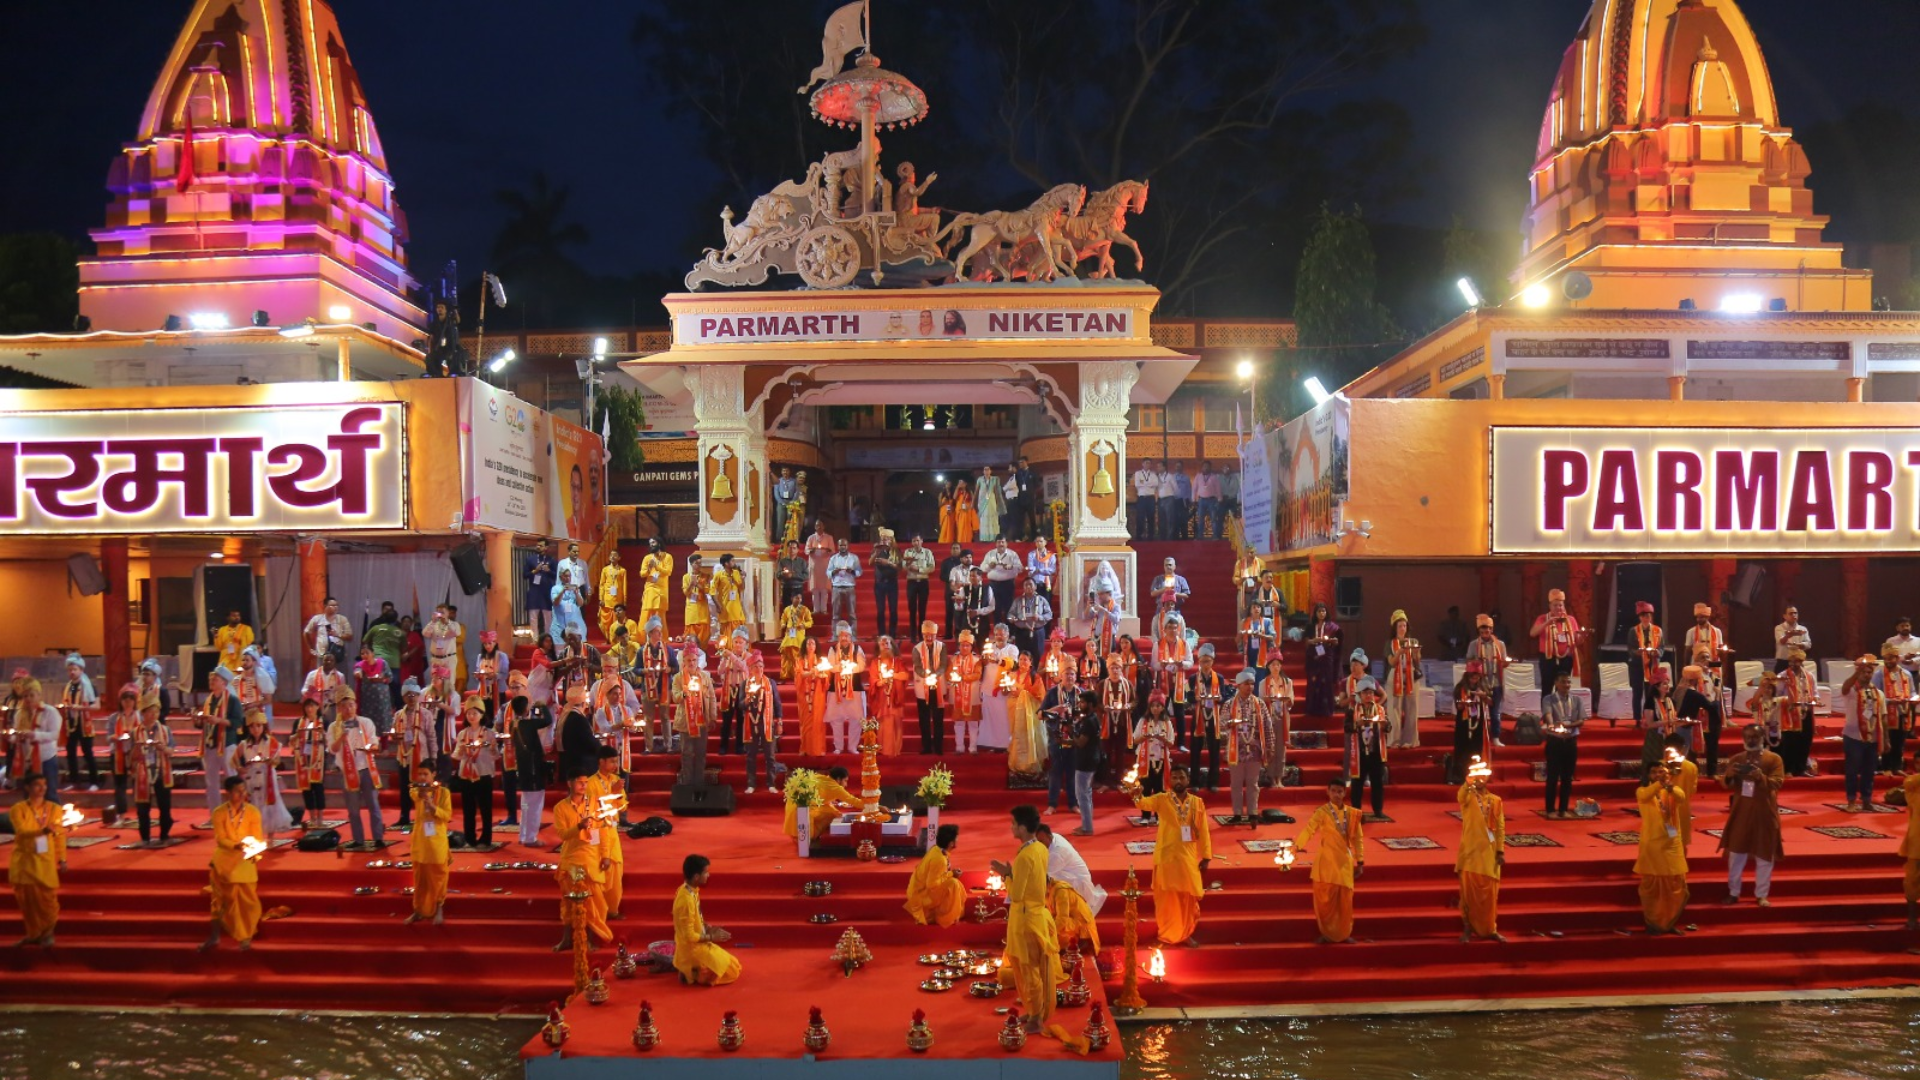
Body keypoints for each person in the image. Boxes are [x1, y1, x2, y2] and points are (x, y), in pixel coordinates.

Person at [1126, 765, 1211, 946]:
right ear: (1169, 781)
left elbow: (1203, 830)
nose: (1178, 781)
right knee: (1166, 899)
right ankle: (1167, 934)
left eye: (1181, 777)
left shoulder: (1197, 803)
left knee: (1187, 898)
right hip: (1166, 856)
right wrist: (1135, 793)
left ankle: (1186, 932)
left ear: (1188, 780)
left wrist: (1206, 856)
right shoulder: (1162, 799)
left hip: (1187, 857)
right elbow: (1143, 803)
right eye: (1174, 778)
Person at [1716, 724, 1787, 907]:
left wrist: (1760, 777)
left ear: (1762, 737)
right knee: (1736, 854)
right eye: (1747, 737)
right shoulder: (1737, 758)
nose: (1751, 740)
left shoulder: (1774, 759)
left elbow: (1777, 783)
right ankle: (1734, 892)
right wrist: (1729, 775)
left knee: (1765, 855)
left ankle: (1761, 894)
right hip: (1741, 811)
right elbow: (1726, 784)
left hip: (1764, 811)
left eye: (1755, 736)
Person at [199, 775, 265, 952]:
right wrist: (235, 845)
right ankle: (214, 937)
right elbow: (220, 839)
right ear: (227, 793)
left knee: (248, 902)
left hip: (245, 860)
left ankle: (246, 936)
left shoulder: (253, 812)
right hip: (224, 862)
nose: (242, 794)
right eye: (237, 791)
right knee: (219, 902)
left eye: (243, 790)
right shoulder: (219, 812)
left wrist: (252, 850)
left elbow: (258, 838)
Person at [1295, 779, 1364, 944]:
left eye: (1340, 791)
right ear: (1327, 792)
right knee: (1324, 901)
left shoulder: (1352, 814)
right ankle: (1327, 933)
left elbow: (1358, 839)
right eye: (1333, 791)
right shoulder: (1322, 812)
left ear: (1345, 793)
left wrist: (1360, 860)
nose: (1337, 794)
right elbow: (1309, 829)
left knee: (1345, 901)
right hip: (1326, 862)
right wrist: (1296, 846)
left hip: (1344, 863)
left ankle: (1343, 933)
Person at [551, 771, 614, 951]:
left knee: (595, 902)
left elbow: (604, 832)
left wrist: (606, 855)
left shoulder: (595, 804)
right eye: (580, 782)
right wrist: (578, 827)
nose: (584, 785)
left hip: (592, 858)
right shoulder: (560, 808)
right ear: (569, 783)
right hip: (571, 859)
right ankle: (567, 939)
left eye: (586, 782)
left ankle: (589, 938)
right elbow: (563, 835)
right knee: (569, 902)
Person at [9, 772, 65, 946]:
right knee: (27, 901)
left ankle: (47, 933)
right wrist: (43, 831)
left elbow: (60, 835)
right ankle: (33, 933)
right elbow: (22, 832)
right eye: (37, 785)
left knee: (47, 899)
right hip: (25, 861)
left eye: (44, 784)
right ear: (27, 788)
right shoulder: (18, 809)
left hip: (44, 860)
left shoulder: (54, 809)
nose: (42, 788)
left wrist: (62, 858)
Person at [1635, 761, 1689, 934]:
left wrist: (1669, 785)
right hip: (1653, 846)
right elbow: (1645, 796)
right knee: (1653, 888)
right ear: (1648, 776)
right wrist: (1660, 782)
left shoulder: (1672, 791)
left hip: (1672, 844)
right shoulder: (1643, 791)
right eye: (1654, 772)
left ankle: (1668, 922)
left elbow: (1681, 797)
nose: (1658, 775)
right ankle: (1654, 924)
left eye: (1662, 772)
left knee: (1676, 886)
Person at [1455, 757, 1506, 942]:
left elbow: (1500, 828)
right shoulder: (1468, 797)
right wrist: (1467, 783)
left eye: (1483, 776)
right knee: (1468, 895)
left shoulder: (1496, 801)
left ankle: (1490, 929)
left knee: (1490, 897)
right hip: (1470, 854)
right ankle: (1467, 929)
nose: (1480, 779)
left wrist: (1500, 851)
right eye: (1478, 776)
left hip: (1490, 855)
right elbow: (1460, 796)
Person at [328, 691, 386, 850]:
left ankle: (379, 838)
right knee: (353, 809)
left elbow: (374, 743)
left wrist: (371, 748)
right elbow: (332, 749)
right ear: (339, 708)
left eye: (351, 705)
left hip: (365, 767)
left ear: (356, 706)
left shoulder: (366, 722)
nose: (349, 709)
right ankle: (358, 839)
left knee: (373, 804)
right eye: (345, 706)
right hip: (347, 771)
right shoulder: (334, 727)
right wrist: (341, 737)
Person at [228, 709, 292, 833]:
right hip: (251, 777)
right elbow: (233, 760)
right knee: (253, 803)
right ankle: (256, 832)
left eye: (258, 725)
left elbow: (277, 761)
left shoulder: (271, 742)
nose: (255, 729)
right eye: (252, 726)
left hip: (266, 776)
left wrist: (271, 761)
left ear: (263, 726)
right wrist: (239, 768)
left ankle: (270, 835)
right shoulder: (244, 744)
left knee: (269, 805)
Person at [1220, 671, 1272, 825]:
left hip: (1254, 750)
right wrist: (1231, 723)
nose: (1250, 687)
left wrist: (1270, 746)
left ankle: (1253, 813)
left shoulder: (1259, 703)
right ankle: (1237, 813)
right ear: (1238, 685)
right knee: (1236, 783)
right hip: (1236, 749)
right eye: (1246, 684)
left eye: (1252, 684)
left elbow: (1268, 726)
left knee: (1253, 783)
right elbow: (1222, 724)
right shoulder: (1229, 704)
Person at [584, 746, 629, 919]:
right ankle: (598, 911)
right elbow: (592, 811)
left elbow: (622, 806)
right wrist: (613, 792)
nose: (614, 765)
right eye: (611, 761)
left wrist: (618, 795)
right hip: (596, 831)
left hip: (612, 829)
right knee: (600, 869)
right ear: (601, 762)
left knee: (616, 869)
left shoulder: (616, 779)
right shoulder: (590, 783)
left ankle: (612, 909)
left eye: (616, 761)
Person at [1839, 656, 1887, 813]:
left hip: (1872, 737)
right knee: (1852, 770)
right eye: (1863, 672)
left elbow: (1883, 718)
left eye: (1869, 672)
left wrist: (1885, 739)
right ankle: (1851, 801)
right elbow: (1845, 688)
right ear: (1858, 673)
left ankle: (1867, 800)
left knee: (1869, 771)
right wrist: (1855, 674)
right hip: (1853, 736)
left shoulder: (1878, 693)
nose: (1866, 675)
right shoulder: (1852, 691)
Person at [405, 764, 451, 925]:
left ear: (434, 774)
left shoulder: (444, 793)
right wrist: (425, 794)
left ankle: (439, 908)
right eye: (420, 774)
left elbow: (446, 816)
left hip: (437, 841)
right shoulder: (416, 791)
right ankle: (418, 910)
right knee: (419, 879)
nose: (422, 777)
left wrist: (433, 807)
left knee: (438, 877)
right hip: (420, 841)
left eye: (425, 774)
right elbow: (416, 795)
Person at [451, 695, 498, 848]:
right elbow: (456, 755)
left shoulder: (489, 734)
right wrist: (463, 749)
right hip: (466, 774)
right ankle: (470, 838)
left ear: (482, 715)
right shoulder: (462, 734)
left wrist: (491, 748)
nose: (472, 716)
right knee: (468, 809)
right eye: (469, 713)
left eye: (475, 713)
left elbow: (496, 755)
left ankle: (485, 838)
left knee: (485, 808)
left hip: (483, 773)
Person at [195, 666, 243, 811]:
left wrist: (219, 721)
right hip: (210, 745)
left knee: (231, 779)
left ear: (224, 683)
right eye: (211, 679)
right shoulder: (208, 700)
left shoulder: (233, 700)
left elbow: (237, 722)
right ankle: (214, 814)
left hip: (227, 744)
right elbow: (205, 724)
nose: (211, 681)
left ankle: (236, 810)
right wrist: (198, 721)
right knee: (211, 783)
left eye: (215, 679)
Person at [1541, 671, 1586, 817]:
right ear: (1556, 683)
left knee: (1567, 777)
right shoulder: (1549, 699)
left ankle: (1563, 809)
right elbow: (1548, 715)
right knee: (1553, 776)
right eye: (1563, 682)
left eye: (1568, 682)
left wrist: (1569, 726)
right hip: (1555, 741)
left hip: (1571, 741)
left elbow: (1581, 720)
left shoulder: (1577, 700)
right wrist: (1552, 724)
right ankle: (1550, 809)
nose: (1566, 685)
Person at [905, 823, 966, 927]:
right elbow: (932, 884)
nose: (958, 840)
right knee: (953, 884)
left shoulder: (936, 849)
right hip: (921, 896)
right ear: (951, 843)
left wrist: (950, 874)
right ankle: (943, 918)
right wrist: (951, 874)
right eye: (957, 838)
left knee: (955, 883)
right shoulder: (939, 859)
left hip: (919, 891)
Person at [1346, 677, 1390, 817]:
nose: (1368, 696)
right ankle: (1356, 811)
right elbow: (1347, 727)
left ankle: (1378, 810)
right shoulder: (1353, 711)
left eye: (1371, 693)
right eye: (1365, 693)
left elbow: (1388, 727)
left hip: (1376, 751)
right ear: (1359, 695)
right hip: (1359, 752)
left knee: (1377, 782)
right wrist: (1355, 725)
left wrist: (1385, 726)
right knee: (1357, 783)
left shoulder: (1380, 710)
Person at [1464, 614, 1511, 744]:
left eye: (1489, 630)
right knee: (1477, 712)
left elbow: (1504, 660)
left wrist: (1505, 663)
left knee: (1495, 713)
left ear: (1492, 630)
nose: (1486, 632)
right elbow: (1468, 661)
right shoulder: (1474, 645)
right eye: (1483, 630)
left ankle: (1495, 737)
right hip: (1480, 683)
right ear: (1479, 631)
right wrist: (1477, 661)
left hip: (1496, 682)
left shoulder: (1500, 644)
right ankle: (1477, 738)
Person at [673, 646, 717, 784]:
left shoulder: (705, 676)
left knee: (700, 753)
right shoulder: (678, 678)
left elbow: (712, 697)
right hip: (685, 723)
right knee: (687, 753)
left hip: (702, 721)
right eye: (689, 660)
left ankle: (699, 782)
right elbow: (675, 697)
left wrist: (713, 717)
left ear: (698, 660)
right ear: (684, 662)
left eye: (694, 660)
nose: (692, 663)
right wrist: (684, 693)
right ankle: (687, 783)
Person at [823, 625, 868, 755]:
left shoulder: (858, 649)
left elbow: (861, 666)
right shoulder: (832, 649)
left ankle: (853, 746)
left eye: (847, 636)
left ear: (850, 637)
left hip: (855, 688)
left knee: (856, 718)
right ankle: (839, 746)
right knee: (836, 719)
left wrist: (850, 668)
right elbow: (830, 666)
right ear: (838, 637)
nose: (844, 638)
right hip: (836, 689)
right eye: (842, 636)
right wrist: (842, 666)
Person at [783, 765, 861, 839]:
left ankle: (798, 834)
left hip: (792, 806)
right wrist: (869, 805)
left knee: (832, 810)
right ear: (838, 779)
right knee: (833, 814)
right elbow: (854, 801)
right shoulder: (835, 787)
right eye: (845, 780)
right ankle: (808, 835)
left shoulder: (820, 777)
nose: (846, 784)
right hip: (803, 811)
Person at [57, 656, 99, 792]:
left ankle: (95, 781)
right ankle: (74, 780)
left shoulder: (89, 686)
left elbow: (97, 706)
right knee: (70, 753)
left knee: (88, 753)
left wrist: (80, 708)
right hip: (70, 724)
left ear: (81, 670)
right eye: (69, 670)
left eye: (74, 669)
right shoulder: (68, 687)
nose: (72, 672)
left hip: (84, 724)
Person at [1188, 644, 1226, 790]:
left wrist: (1218, 697)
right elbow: (1189, 696)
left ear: (1213, 662)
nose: (1205, 664)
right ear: (1199, 662)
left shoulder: (1219, 678)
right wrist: (1197, 698)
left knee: (1214, 750)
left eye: (1208, 661)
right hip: (1198, 715)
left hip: (1213, 716)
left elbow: (1223, 696)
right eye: (1203, 661)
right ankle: (1195, 782)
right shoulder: (1193, 678)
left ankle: (1213, 782)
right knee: (1195, 750)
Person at [741, 653, 780, 794]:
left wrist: (779, 721)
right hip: (750, 723)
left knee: (770, 755)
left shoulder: (770, 683)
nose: (759, 669)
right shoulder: (745, 684)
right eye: (755, 666)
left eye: (761, 666)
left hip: (767, 723)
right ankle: (751, 783)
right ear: (750, 669)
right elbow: (739, 705)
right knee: (751, 755)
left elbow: (777, 703)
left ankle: (771, 783)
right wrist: (746, 701)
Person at [1530, 588, 1584, 689]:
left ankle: (1562, 705)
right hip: (1548, 659)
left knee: (1564, 687)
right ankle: (1547, 705)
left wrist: (1582, 637)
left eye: (1560, 605)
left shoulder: (1570, 620)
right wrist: (1547, 623)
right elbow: (1532, 633)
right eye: (1555, 605)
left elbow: (1577, 641)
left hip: (1566, 659)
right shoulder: (1542, 618)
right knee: (1547, 687)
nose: (1558, 608)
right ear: (1550, 606)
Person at [1384, 610, 1422, 749]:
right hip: (1395, 677)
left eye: (1404, 626)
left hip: (1411, 676)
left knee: (1412, 708)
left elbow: (1417, 663)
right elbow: (1392, 662)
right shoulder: (1390, 643)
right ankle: (1394, 740)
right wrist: (1400, 651)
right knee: (1394, 709)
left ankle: (1410, 740)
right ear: (1395, 628)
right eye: (1400, 626)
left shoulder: (1413, 642)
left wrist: (1416, 653)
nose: (1402, 629)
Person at [978, 624, 1018, 753]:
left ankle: (1006, 744)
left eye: (1002, 634)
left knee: (1005, 717)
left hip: (1004, 687)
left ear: (1007, 634)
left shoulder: (1012, 649)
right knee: (990, 718)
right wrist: (985, 659)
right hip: (989, 686)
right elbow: (983, 664)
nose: (999, 637)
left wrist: (997, 660)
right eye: (997, 635)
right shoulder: (989, 648)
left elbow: (1013, 665)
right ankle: (991, 743)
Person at [1778, 649, 1819, 777]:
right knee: (1790, 742)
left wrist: (1815, 700)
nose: (1793, 664)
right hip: (1790, 714)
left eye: (1796, 661)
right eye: (1791, 661)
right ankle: (1788, 769)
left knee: (1805, 740)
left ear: (1802, 662)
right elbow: (1777, 695)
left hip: (1806, 711)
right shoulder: (1782, 676)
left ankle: (1801, 768)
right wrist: (1787, 701)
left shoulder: (1809, 676)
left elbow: (1815, 693)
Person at [912, 621, 949, 755]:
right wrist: (926, 675)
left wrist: (935, 675)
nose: (929, 637)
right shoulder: (916, 648)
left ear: (935, 634)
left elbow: (943, 664)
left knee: (938, 718)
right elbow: (917, 666)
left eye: (931, 635)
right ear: (922, 634)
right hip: (923, 686)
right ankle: (926, 746)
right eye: (926, 635)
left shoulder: (942, 646)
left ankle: (939, 746)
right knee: (924, 719)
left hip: (938, 685)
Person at [1878, 644, 1916, 774]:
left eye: (1891, 658)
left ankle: (1897, 767)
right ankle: (1886, 767)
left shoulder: (1907, 674)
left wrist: (1912, 699)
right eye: (1886, 659)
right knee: (1888, 740)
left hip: (1903, 711)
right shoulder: (1879, 674)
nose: (1888, 661)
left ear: (1897, 658)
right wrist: (1890, 701)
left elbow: (1912, 692)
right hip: (1887, 713)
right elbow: (1877, 695)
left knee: (1900, 742)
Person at [869, 637, 907, 757]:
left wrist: (893, 675)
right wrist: (879, 683)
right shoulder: (875, 662)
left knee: (895, 723)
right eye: (882, 643)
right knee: (883, 724)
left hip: (895, 698)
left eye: (887, 643)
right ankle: (884, 749)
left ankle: (895, 750)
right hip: (881, 699)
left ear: (892, 645)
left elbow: (905, 675)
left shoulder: (898, 661)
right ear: (878, 646)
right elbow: (872, 679)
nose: (885, 645)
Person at [1304, 603, 1343, 717]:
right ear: (1315, 613)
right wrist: (1314, 640)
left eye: (1323, 611)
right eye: (1319, 611)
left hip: (1327, 657)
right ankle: (1312, 709)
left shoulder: (1332, 626)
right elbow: (1306, 641)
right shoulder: (1310, 626)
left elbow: (1337, 641)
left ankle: (1327, 709)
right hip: (1313, 657)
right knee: (1313, 682)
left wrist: (1333, 640)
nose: (1321, 613)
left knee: (1327, 682)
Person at [353, 643, 394, 737]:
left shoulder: (383, 663)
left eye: (367, 653)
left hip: (382, 699)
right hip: (367, 701)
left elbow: (390, 678)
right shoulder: (360, 665)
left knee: (383, 721)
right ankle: (370, 744)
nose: (365, 656)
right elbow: (357, 671)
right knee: (368, 721)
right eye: (362, 654)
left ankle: (384, 747)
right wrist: (358, 674)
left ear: (373, 653)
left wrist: (382, 679)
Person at [1007, 578, 1053, 658]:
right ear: (1023, 588)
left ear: (1035, 587)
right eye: (1026, 585)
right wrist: (1013, 619)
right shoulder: (1017, 601)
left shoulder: (1042, 600)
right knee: (1022, 656)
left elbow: (1049, 615)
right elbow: (1009, 616)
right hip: (1021, 632)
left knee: (1038, 656)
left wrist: (1040, 617)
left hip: (1037, 632)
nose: (1028, 587)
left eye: (1030, 585)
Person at [304, 595, 353, 668]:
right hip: (322, 655)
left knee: (339, 677)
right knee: (321, 676)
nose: (335, 607)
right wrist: (311, 648)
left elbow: (350, 636)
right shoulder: (317, 619)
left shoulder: (342, 619)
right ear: (325, 606)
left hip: (337, 655)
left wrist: (337, 634)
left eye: (337, 605)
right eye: (332, 605)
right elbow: (306, 632)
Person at [981, 537, 1021, 625]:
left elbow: (1020, 568)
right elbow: (982, 568)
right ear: (996, 544)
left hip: (1008, 584)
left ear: (1007, 543)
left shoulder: (1012, 554)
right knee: (995, 607)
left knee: (1009, 608)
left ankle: (1009, 631)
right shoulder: (990, 554)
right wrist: (989, 566)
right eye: (999, 542)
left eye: (1003, 542)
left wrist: (1011, 567)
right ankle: (997, 630)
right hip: (993, 584)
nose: (1001, 544)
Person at [901, 534, 936, 633]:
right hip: (911, 582)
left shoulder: (927, 552)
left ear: (921, 541)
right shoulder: (908, 552)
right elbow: (903, 568)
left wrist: (919, 569)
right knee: (912, 609)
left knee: (922, 608)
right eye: (914, 541)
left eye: (917, 540)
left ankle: (922, 633)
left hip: (923, 582)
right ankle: (912, 633)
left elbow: (932, 567)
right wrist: (908, 565)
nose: (916, 543)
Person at [869, 529, 900, 640]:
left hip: (892, 584)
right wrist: (876, 552)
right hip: (879, 584)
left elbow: (899, 567)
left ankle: (892, 634)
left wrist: (888, 563)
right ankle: (881, 634)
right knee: (880, 610)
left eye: (886, 538)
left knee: (893, 610)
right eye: (882, 538)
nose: (884, 540)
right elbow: (870, 563)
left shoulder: (896, 551)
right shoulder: (877, 549)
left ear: (891, 540)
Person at [1150, 557, 1191, 639]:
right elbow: (1152, 593)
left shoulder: (1181, 580)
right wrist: (1164, 589)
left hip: (1175, 610)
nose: (1168, 567)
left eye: (1170, 565)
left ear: (1174, 566)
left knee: (1176, 633)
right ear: (1163, 567)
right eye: (1166, 565)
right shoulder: (1158, 579)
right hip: (1160, 610)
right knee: (1160, 632)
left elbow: (1187, 594)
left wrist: (1174, 594)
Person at [828, 538, 862, 633]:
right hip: (836, 587)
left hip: (849, 586)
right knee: (835, 614)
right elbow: (828, 572)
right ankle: (835, 635)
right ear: (837, 546)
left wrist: (853, 571)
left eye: (844, 545)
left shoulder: (854, 558)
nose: (842, 547)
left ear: (848, 546)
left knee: (851, 613)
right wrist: (834, 571)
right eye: (840, 545)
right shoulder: (833, 558)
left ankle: (853, 635)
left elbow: (859, 572)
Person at [524, 540, 556, 639]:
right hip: (534, 591)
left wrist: (549, 570)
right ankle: (535, 639)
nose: (538, 547)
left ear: (546, 547)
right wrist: (535, 571)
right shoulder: (530, 560)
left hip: (547, 592)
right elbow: (525, 575)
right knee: (533, 616)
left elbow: (556, 576)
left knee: (548, 617)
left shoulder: (552, 560)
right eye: (537, 545)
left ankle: (548, 638)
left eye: (541, 545)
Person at [712, 553, 747, 643]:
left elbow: (742, 588)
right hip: (725, 608)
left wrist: (742, 578)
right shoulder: (719, 575)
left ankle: (739, 651)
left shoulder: (736, 573)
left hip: (736, 607)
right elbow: (712, 592)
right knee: (725, 633)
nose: (734, 563)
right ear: (726, 563)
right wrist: (718, 605)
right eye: (732, 561)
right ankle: (725, 651)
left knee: (739, 630)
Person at [939, 544, 970, 637]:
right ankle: (948, 633)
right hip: (950, 589)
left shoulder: (964, 563)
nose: (955, 550)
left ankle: (962, 633)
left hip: (963, 591)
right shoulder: (946, 562)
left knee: (962, 613)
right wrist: (952, 580)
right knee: (949, 612)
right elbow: (942, 576)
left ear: (960, 550)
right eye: (953, 548)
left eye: (957, 548)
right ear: (950, 550)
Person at [805, 522, 836, 615]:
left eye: (821, 526)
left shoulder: (829, 538)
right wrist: (812, 550)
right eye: (817, 526)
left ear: (824, 527)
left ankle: (823, 609)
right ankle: (816, 609)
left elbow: (832, 550)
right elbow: (806, 550)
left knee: (824, 589)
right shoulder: (811, 538)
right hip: (814, 565)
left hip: (825, 565)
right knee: (815, 588)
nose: (819, 527)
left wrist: (827, 550)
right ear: (815, 527)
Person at [680, 555, 711, 645]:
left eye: (700, 563)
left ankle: (703, 652)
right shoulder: (686, 577)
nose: (699, 565)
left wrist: (697, 584)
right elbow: (686, 592)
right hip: (691, 608)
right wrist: (691, 585)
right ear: (691, 564)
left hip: (702, 609)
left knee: (704, 634)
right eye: (696, 563)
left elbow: (707, 590)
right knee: (691, 634)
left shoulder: (705, 576)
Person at [213, 609, 254, 673]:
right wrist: (215, 636)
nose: (236, 617)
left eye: (238, 615)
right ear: (228, 618)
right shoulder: (222, 630)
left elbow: (250, 645)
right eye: (234, 616)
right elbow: (219, 647)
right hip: (226, 660)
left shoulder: (246, 629)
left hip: (241, 660)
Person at [1773, 605, 1810, 674]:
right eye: (1791, 613)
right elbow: (1781, 641)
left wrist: (1800, 645)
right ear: (1784, 616)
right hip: (1783, 662)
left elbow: (1808, 644)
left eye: (1795, 613)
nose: (1794, 615)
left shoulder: (1803, 629)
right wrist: (1788, 636)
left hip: (1797, 663)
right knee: (1780, 684)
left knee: (1798, 683)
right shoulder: (1779, 628)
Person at [775, 538, 807, 616]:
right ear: (787, 549)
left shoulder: (802, 562)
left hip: (798, 589)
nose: (792, 550)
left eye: (794, 548)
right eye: (790, 547)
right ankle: (788, 627)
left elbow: (806, 575)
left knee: (798, 612)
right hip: (786, 588)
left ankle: (797, 627)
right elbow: (778, 575)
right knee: (787, 611)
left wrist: (794, 575)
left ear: (797, 550)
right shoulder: (783, 562)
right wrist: (784, 574)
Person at [1192, 460, 1223, 539]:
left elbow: (1218, 488)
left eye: (1207, 466)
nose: (1206, 468)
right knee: (1200, 519)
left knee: (1213, 519)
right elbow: (1194, 489)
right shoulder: (1198, 476)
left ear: (1210, 468)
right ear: (1202, 468)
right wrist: (1193, 499)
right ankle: (1200, 536)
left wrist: (1220, 499)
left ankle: (1215, 536)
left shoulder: (1214, 477)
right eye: (1204, 466)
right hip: (1201, 500)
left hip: (1212, 500)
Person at [975, 464, 1005, 542]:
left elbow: (997, 492)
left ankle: (994, 537)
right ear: (983, 471)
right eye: (985, 469)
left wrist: (999, 503)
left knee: (993, 518)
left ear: (990, 471)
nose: (986, 471)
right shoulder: (980, 479)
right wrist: (972, 503)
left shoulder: (994, 479)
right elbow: (976, 491)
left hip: (991, 500)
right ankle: (984, 538)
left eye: (988, 469)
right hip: (982, 501)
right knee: (984, 519)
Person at [1132, 458, 1161, 540]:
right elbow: (1137, 484)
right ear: (1142, 464)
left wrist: (1144, 483)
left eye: (1149, 463)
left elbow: (1156, 483)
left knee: (1151, 517)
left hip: (1151, 498)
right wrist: (1149, 484)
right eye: (1146, 463)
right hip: (1141, 498)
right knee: (1140, 517)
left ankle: (1150, 536)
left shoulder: (1153, 474)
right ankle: (1139, 535)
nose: (1147, 464)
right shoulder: (1138, 473)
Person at [1025, 536, 1057, 607]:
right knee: (1035, 606)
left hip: (1047, 584)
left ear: (1045, 542)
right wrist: (1044, 571)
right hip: (1035, 584)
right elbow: (1031, 569)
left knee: (1046, 604)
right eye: (1037, 541)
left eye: (1041, 541)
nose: (1039, 543)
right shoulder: (1031, 554)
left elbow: (1052, 570)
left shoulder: (1050, 555)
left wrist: (1039, 570)